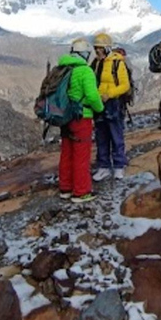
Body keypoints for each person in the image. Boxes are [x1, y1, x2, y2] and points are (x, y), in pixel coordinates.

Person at [58, 37, 104, 203]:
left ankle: (65, 188)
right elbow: (92, 96)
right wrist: (100, 109)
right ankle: (81, 192)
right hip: (81, 117)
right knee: (81, 155)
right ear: (85, 53)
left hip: (65, 117)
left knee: (67, 153)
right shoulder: (85, 71)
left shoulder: (62, 68)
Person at [90, 33, 130, 181]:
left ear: (106, 48)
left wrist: (110, 94)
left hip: (113, 103)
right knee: (101, 136)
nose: (97, 51)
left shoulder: (117, 63)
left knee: (116, 135)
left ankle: (119, 166)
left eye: (99, 48)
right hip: (99, 104)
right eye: (96, 48)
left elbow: (125, 85)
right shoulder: (96, 63)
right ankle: (103, 167)